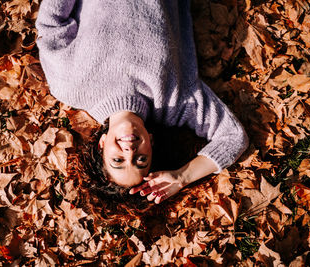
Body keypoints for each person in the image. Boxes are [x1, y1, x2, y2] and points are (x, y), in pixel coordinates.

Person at [36, 0, 249, 204]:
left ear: (101, 145)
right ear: (151, 142)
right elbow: (233, 138)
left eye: (117, 160)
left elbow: (52, 24)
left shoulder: (70, 86)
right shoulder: (175, 101)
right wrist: (181, 177)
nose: (129, 152)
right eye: (141, 160)